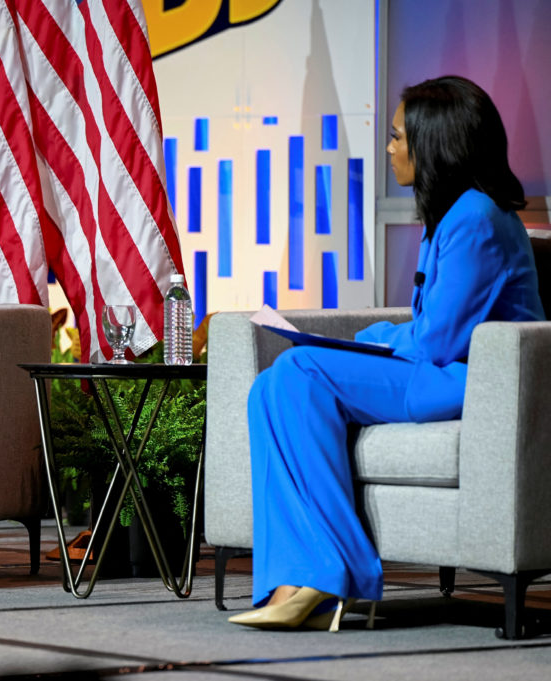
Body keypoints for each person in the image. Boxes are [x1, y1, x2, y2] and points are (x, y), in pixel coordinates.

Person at [228, 76, 545, 630]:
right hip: (436, 370)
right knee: (272, 386)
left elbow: (436, 341)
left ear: (435, 141)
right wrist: (376, 337)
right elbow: (428, 326)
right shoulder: (451, 215)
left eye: (399, 136)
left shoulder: (475, 218)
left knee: (300, 367)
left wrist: (371, 338)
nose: (391, 148)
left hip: (463, 379)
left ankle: (335, 575)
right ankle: (302, 576)